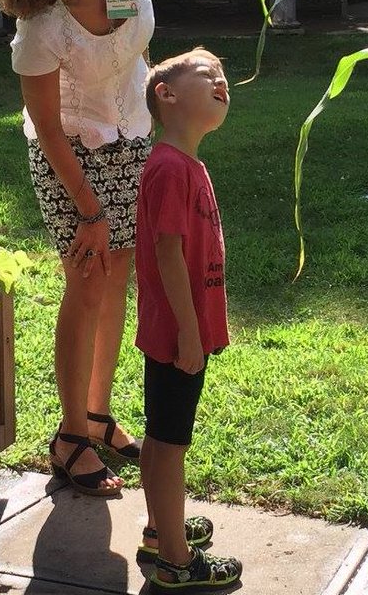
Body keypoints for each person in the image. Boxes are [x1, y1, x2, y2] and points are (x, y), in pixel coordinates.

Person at [0, 0, 162, 497]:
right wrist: (89, 210)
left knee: (117, 279)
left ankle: (98, 414)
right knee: (86, 281)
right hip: (71, 158)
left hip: (131, 141)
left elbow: (132, 42)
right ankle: (68, 438)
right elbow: (47, 127)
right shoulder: (43, 30)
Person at [135, 48, 243, 591]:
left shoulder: (181, 163)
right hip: (180, 332)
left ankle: (161, 528)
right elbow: (169, 254)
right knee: (171, 443)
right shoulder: (170, 168)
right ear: (166, 94)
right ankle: (176, 558)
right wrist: (188, 331)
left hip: (179, 328)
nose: (221, 82)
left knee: (161, 435)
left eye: (223, 76)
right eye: (208, 75)